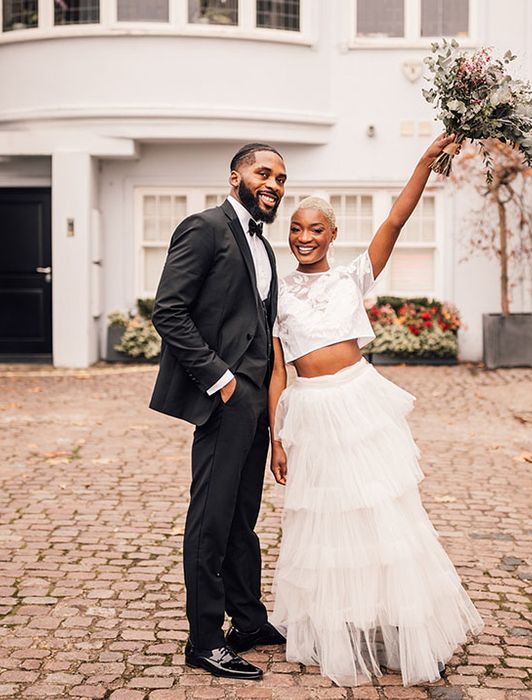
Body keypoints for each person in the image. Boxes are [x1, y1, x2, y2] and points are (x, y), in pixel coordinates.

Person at [268, 134, 484, 687]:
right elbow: (276, 370)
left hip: (359, 402)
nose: (305, 237)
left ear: (333, 235)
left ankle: (411, 631)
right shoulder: (275, 293)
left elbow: (396, 219)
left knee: (382, 516)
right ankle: (337, 630)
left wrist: (424, 162)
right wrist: (277, 437)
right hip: (310, 411)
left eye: (316, 229)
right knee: (326, 521)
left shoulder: (351, 276)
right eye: (297, 228)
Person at [150, 143, 288, 680]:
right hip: (225, 396)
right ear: (235, 178)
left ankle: (248, 620)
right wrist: (220, 378)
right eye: (262, 172)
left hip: (254, 401)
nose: (273, 183)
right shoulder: (203, 227)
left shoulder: (267, 249)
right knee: (210, 519)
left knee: (241, 519)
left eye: (280, 176)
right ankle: (205, 639)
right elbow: (169, 310)